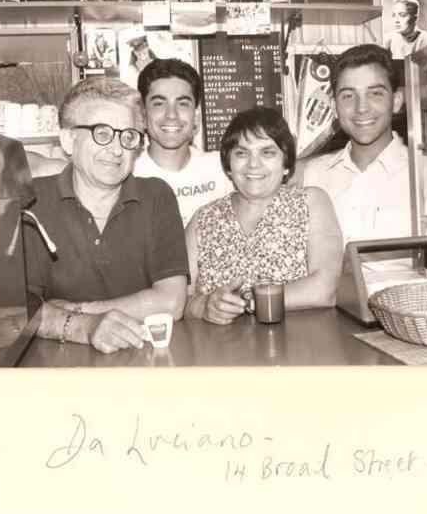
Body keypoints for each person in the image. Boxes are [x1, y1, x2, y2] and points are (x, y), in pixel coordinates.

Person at [22, 77, 189, 354]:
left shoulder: (156, 197)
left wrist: (78, 311)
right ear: (67, 139)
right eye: (102, 133)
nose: (116, 149)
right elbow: (20, 311)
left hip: (143, 360)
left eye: (128, 136)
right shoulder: (33, 202)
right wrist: (85, 327)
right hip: (58, 371)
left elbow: (171, 303)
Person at [300, 44, 427, 285]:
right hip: (331, 318)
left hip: (408, 317)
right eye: (348, 95)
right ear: (335, 106)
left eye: (375, 93)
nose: (361, 108)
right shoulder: (314, 174)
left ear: (397, 101)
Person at [184, 106, 342, 325]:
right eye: (241, 153)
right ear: (228, 166)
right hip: (220, 350)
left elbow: (324, 289)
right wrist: (204, 306)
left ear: (286, 164)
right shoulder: (202, 220)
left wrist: (249, 301)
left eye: (267, 152)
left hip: (298, 348)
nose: (253, 164)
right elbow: (180, 300)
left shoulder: (311, 202)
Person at [135, 58, 233, 227]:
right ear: (143, 115)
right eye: (159, 103)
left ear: (196, 116)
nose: (171, 114)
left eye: (182, 104)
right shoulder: (127, 173)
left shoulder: (222, 168)